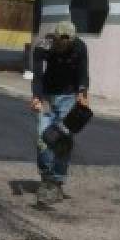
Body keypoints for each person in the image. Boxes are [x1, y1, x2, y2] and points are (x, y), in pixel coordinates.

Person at [31, 20, 90, 205]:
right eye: (60, 42)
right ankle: (46, 177)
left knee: (63, 138)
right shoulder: (43, 46)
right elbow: (38, 75)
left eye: (68, 43)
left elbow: (83, 73)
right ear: (55, 38)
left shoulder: (80, 47)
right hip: (47, 95)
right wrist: (36, 97)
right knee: (43, 137)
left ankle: (57, 179)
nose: (63, 46)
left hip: (68, 96)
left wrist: (82, 93)